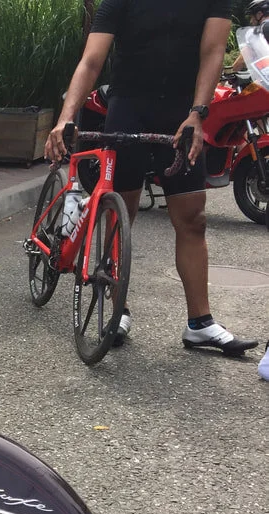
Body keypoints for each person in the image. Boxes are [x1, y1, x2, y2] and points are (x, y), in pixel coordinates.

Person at [45, 0, 259, 356]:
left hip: (182, 110)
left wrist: (198, 113)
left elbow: (213, 52)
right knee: (120, 212)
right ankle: (118, 310)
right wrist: (66, 116)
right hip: (128, 106)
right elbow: (92, 60)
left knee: (193, 218)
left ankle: (200, 324)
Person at [230, 1, 269, 72]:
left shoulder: (255, 33)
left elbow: (242, 60)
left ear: (259, 14)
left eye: (251, 17)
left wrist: (230, 73)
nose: (251, 21)